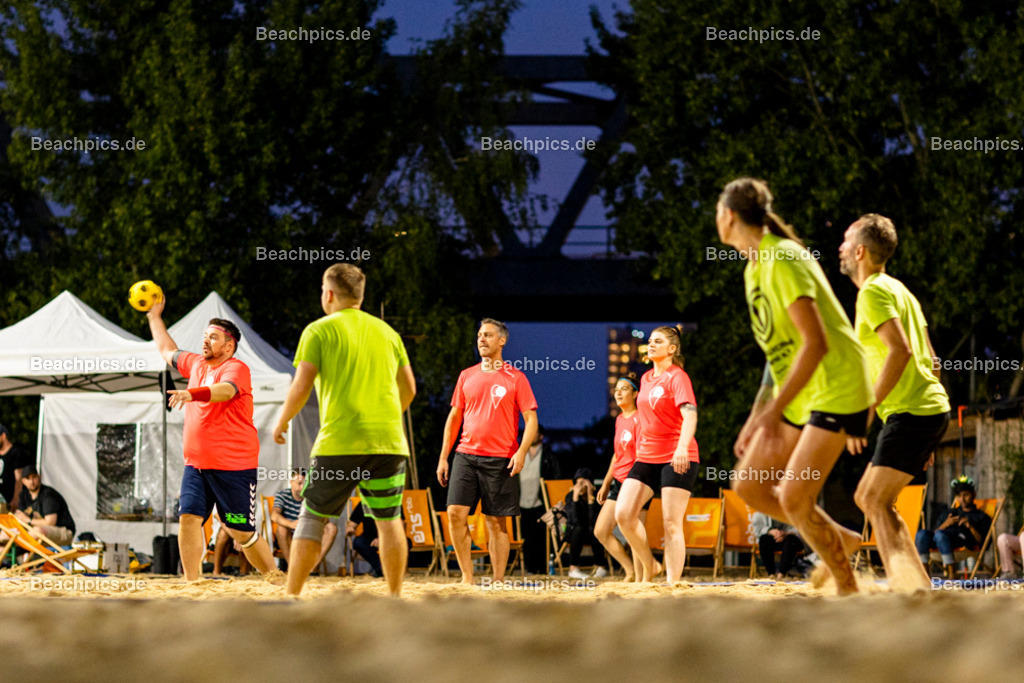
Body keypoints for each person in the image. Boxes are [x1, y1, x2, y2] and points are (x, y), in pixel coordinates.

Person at [721, 177, 873, 596]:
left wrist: (774, 410)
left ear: (729, 216)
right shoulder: (753, 269)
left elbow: (816, 343)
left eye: (718, 210)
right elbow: (778, 355)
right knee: (748, 484)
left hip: (839, 383)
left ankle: (848, 588)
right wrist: (758, 414)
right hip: (804, 388)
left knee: (792, 498)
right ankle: (841, 539)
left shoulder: (782, 258)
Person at [273, 264, 416, 597]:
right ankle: (394, 597)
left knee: (313, 517)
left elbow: (301, 385)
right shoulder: (388, 333)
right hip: (389, 443)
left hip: (340, 443)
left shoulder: (318, 331)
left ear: (329, 293)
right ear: (360, 296)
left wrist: (282, 421)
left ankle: (292, 596)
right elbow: (408, 388)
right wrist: (385, 419)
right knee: (388, 520)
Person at [839, 213, 951, 591]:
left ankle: (904, 589)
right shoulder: (901, 290)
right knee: (870, 497)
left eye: (844, 241)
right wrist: (928, 434)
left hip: (912, 411)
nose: (839, 247)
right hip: (924, 409)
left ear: (859, 251)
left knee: (872, 498)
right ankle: (916, 587)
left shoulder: (871, 292)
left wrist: (866, 409)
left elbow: (900, 351)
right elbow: (932, 361)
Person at [147, 295, 278, 581]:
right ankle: (192, 582)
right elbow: (167, 350)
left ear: (229, 346)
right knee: (189, 517)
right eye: (205, 336)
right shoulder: (195, 364)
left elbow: (225, 391)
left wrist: (190, 394)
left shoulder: (236, 368)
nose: (205, 341)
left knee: (241, 532)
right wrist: (154, 317)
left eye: (213, 337)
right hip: (197, 464)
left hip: (234, 467)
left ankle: (274, 576)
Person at [437, 318, 539, 585]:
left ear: (502, 341)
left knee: (496, 523)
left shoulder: (516, 378)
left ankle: (497, 580)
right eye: (480, 335)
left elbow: (531, 421)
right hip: (465, 455)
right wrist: (443, 458)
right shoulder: (466, 376)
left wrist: (521, 452)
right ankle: (467, 577)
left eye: (488, 335)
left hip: (501, 458)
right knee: (455, 514)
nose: (482, 339)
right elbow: (454, 419)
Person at [614, 326, 699, 584]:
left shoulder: (677, 377)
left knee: (671, 522)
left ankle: (673, 583)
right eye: (650, 341)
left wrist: (682, 447)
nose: (651, 345)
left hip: (677, 454)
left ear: (671, 349)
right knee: (623, 514)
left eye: (658, 341)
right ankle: (650, 564)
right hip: (647, 456)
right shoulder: (646, 378)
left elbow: (690, 414)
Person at [596, 374, 644, 581]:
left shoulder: (641, 419)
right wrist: (606, 483)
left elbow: (644, 453)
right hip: (618, 482)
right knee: (601, 531)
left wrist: (637, 480)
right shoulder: (619, 420)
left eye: (624, 389)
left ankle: (644, 580)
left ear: (635, 394)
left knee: (634, 535)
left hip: (636, 481)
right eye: (616, 389)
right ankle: (630, 570)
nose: (618, 392)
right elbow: (617, 455)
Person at [915, 476, 992, 579]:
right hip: (942, 542)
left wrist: (970, 527)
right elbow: (934, 533)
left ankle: (952, 573)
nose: (962, 499)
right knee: (922, 534)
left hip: (963, 541)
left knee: (940, 535)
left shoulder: (980, 516)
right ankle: (925, 574)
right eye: (959, 496)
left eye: (966, 495)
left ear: (974, 494)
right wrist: (945, 524)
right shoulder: (950, 512)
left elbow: (982, 543)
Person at [271, 469, 338, 572]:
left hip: (308, 534)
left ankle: (312, 567)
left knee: (331, 528)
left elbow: (325, 519)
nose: (302, 487)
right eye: (299, 483)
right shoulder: (282, 495)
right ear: (291, 483)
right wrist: (291, 524)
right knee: (281, 529)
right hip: (289, 535)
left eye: (305, 483)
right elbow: (274, 515)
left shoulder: (312, 497)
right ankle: (293, 567)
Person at [518, 424, 559, 574]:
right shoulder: (520, 453)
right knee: (526, 536)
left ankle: (542, 569)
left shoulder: (547, 454)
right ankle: (529, 568)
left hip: (540, 501)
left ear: (541, 436)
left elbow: (555, 474)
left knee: (541, 536)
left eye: (534, 432)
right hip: (522, 501)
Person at [5, 466, 76, 545]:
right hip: (33, 533)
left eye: (34, 477)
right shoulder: (23, 495)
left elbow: (50, 522)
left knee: (38, 531)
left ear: (39, 477)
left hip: (64, 531)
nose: (31, 481)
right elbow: (21, 519)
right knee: (7, 532)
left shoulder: (48, 495)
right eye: (28, 478)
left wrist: (28, 520)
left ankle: (18, 550)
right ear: (23, 481)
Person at [561, 468, 607, 578]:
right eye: (578, 483)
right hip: (575, 533)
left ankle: (600, 567)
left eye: (584, 483)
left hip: (592, 533)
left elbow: (595, 520)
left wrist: (591, 499)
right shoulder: (570, 496)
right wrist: (575, 499)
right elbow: (574, 520)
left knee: (594, 528)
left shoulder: (597, 496)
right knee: (579, 528)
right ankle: (573, 569)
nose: (580, 486)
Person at [751, 512, 806, 579]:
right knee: (764, 539)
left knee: (791, 540)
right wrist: (770, 531)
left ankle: (782, 573)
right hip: (772, 539)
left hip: (791, 539)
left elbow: (800, 528)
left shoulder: (792, 509)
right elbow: (757, 530)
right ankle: (771, 573)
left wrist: (785, 533)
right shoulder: (760, 513)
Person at [0, 423, 32, 511]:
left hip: (10, 502)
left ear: (3, 436)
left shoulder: (16, 453)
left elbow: (19, 478)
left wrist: (16, 498)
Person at [346, 502, 382, 578]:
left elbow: (400, 526)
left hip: (389, 537)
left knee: (406, 542)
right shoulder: (364, 503)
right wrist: (350, 528)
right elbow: (351, 524)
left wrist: (382, 538)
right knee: (358, 542)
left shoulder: (391, 501)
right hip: (369, 538)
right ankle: (381, 568)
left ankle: (379, 569)